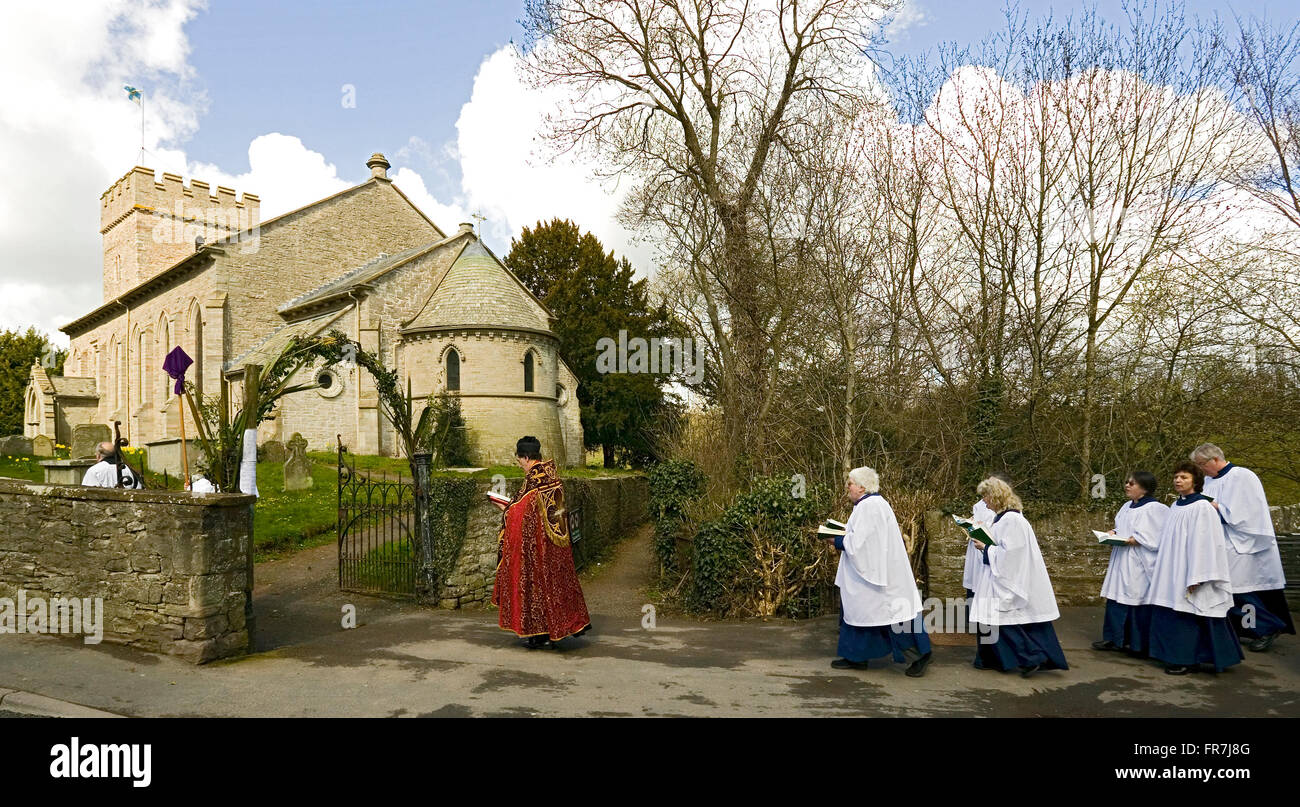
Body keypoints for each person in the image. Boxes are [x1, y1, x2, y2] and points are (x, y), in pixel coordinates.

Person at [826, 466, 932, 676]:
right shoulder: (869, 505)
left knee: (891, 616)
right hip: (873, 574)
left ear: (862, 487)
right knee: (861, 614)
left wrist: (837, 540)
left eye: (851, 483)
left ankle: (920, 655)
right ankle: (856, 657)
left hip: (879, 577)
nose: (848, 487)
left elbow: (862, 544)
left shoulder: (870, 507)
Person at [1192, 443, 1294, 652]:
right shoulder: (1210, 481)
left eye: (1202, 464)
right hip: (1220, 541)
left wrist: (1217, 508)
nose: (1201, 469)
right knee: (1226, 588)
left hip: (1242, 543)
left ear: (1215, 459)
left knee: (1232, 588)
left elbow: (1249, 512)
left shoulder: (1242, 476)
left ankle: (1266, 627)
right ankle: (1244, 629)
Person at [491, 436, 591, 648]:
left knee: (535, 588)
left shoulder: (534, 482)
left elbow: (523, 514)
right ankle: (555, 629)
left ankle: (540, 633)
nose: (520, 465)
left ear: (527, 458)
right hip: (556, 547)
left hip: (537, 548)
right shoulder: (552, 477)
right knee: (554, 587)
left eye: (520, 461)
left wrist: (506, 510)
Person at [1145, 461, 1243, 675]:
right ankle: (1170, 654)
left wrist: (1198, 576)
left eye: (1184, 477)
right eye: (1176, 477)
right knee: (1170, 611)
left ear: (1196, 482)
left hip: (1190, 570)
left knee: (1188, 615)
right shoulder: (1175, 506)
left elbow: (1206, 544)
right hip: (1172, 570)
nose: (1178, 480)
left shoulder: (1202, 507)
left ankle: (1187, 659)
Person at [969, 476, 1068, 677]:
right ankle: (1001, 659)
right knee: (999, 621)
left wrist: (985, 547)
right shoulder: (1004, 518)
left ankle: (1031, 658)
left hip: (1007, 579)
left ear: (996, 496)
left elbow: (1012, 554)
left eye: (986, 497)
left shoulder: (1012, 520)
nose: (984, 502)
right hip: (998, 577)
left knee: (1003, 622)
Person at [1093, 471, 1168, 656]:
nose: (1127, 485)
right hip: (1121, 558)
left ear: (1144, 488)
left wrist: (1134, 540)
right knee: (1116, 597)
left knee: (1136, 599)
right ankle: (1113, 638)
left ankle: (1136, 644)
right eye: (1127, 482)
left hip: (1139, 560)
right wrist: (1112, 532)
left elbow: (1159, 535)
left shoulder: (1156, 509)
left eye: (1132, 483)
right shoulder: (1127, 506)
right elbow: (1122, 526)